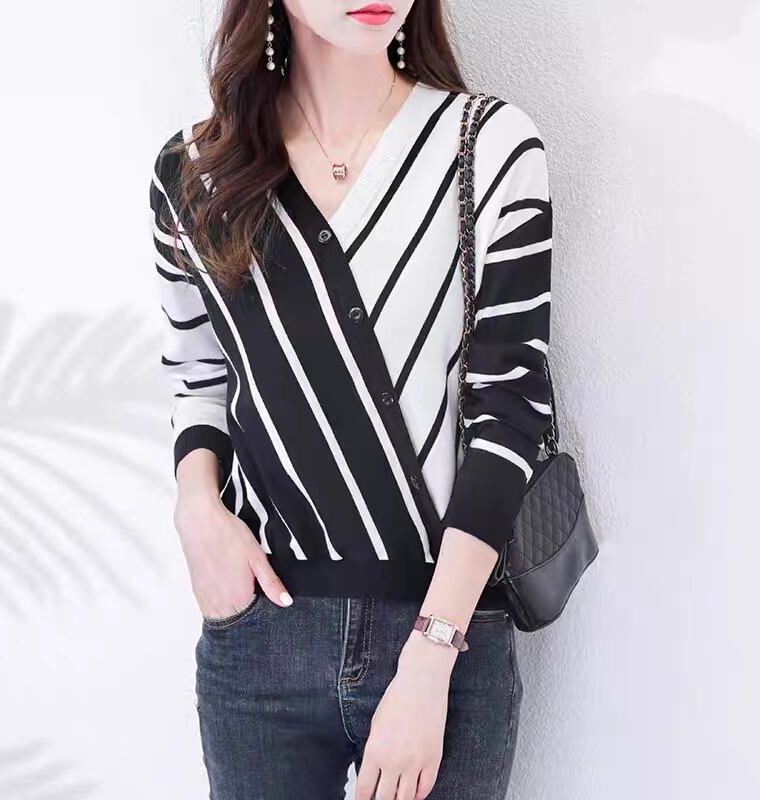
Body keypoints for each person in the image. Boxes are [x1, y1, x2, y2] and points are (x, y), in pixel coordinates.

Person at [148, 1, 553, 798]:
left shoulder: (488, 147)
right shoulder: (194, 173)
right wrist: (196, 507)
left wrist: (431, 656)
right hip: (261, 635)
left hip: (447, 635)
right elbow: (197, 369)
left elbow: (509, 413)